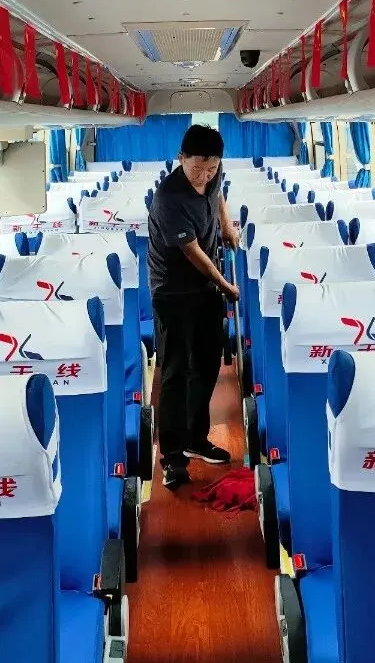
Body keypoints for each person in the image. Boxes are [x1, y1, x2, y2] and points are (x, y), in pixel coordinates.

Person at [148, 124, 240, 490]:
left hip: (205, 288)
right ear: (181, 158)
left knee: (206, 364)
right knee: (175, 372)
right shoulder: (168, 198)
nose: (204, 176)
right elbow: (192, 253)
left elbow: (217, 194)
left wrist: (226, 225)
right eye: (197, 168)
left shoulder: (213, 175)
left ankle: (195, 439)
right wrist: (224, 284)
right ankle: (172, 458)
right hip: (172, 290)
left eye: (211, 168)